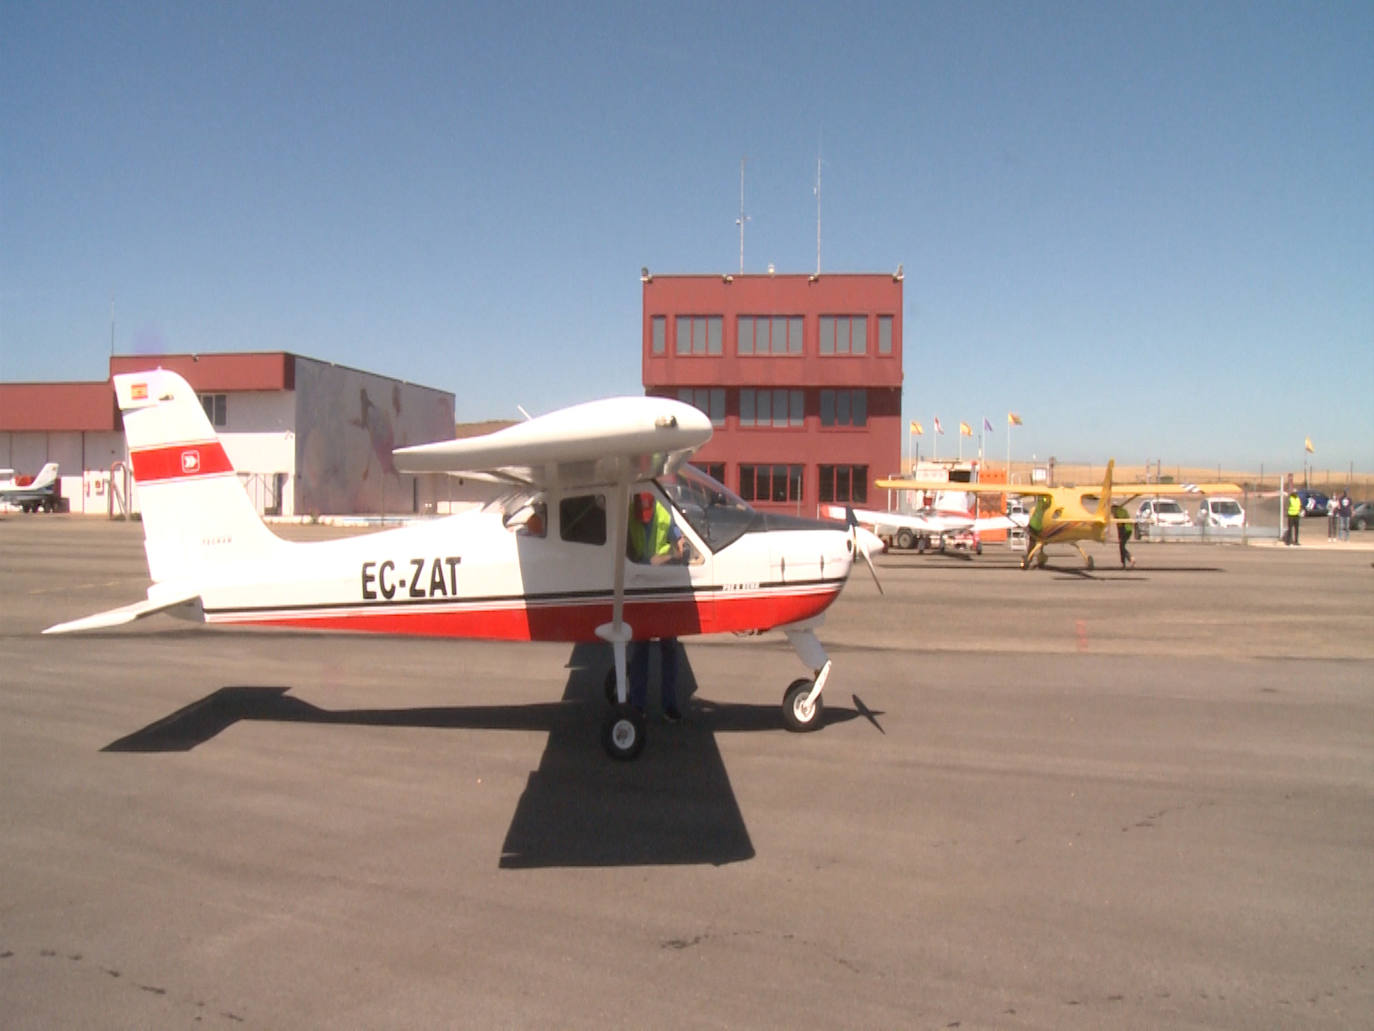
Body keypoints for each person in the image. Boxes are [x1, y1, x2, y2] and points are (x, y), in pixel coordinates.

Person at [626, 492, 687, 721]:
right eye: (641, 515)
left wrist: (660, 559)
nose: (644, 519)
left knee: (669, 646)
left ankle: (669, 704)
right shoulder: (628, 517)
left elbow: (679, 550)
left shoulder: (664, 516)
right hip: (641, 588)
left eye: (647, 515)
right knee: (640, 647)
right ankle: (637, 704)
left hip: (663, 589)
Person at [1113, 504, 1134, 569]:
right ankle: (1125, 562)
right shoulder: (1122, 510)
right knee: (1122, 546)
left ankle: (1130, 559)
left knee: (1121, 547)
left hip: (1125, 530)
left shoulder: (1117, 513)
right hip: (1128, 529)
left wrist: (1120, 535)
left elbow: (1121, 524)